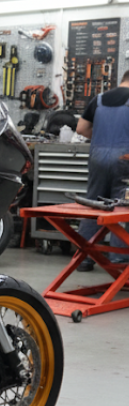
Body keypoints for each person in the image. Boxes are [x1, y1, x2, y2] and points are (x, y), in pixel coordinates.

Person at [75, 70, 129, 270]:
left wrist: (102, 139)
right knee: (122, 208)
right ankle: (119, 260)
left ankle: (84, 258)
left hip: (97, 156)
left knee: (94, 204)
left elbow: (80, 129)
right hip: (125, 159)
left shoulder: (98, 99)